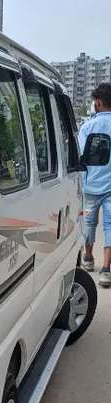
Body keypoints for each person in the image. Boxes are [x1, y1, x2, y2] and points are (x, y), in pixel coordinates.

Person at [78, 82, 111, 287]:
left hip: (90, 186)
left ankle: (88, 258)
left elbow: (80, 156)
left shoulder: (87, 127)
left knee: (89, 224)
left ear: (97, 102)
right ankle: (107, 270)